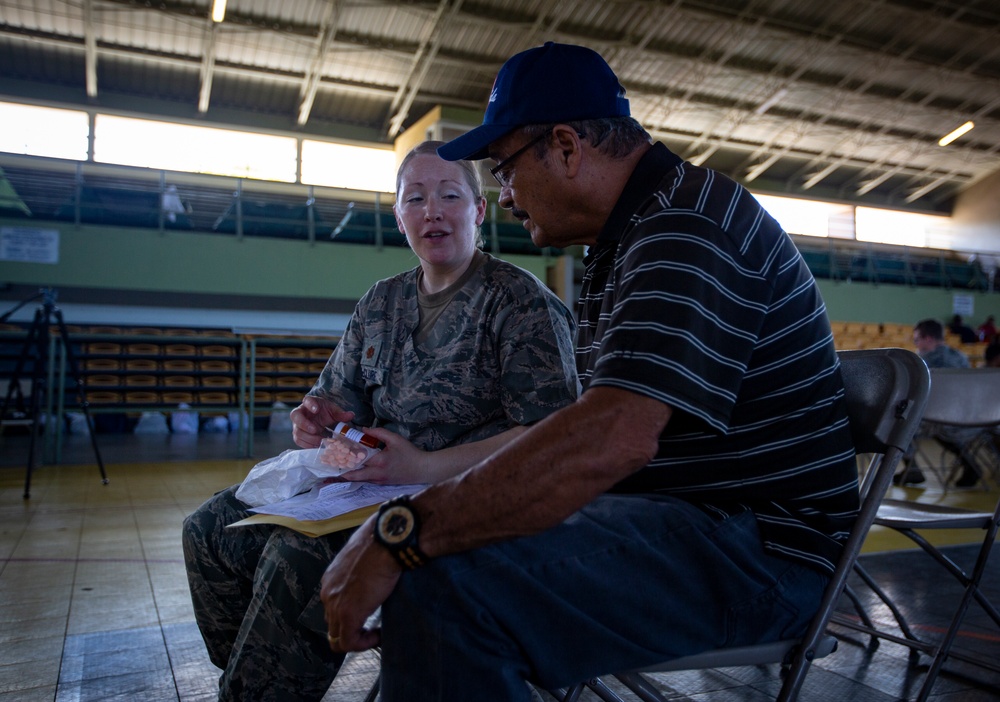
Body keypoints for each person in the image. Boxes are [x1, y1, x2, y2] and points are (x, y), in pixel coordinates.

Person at [319, 43, 859, 701]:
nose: (507, 194)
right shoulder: (632, 237)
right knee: (447, 558)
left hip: (762, 554)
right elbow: (590, 432)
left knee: (441, 584)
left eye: (504, 168)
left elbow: (612, 438)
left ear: (567, 147)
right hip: (694, 526)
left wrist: (403, 531)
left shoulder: (684, 223)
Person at [182, 140, 580, 702]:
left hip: (468, 505)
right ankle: (258, 680)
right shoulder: (380, 303)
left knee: (295, 558)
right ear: (398, 216)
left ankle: (263, 686)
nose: (432, 211)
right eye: (414, 198)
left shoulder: (519, 303)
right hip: (367, 495)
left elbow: (551, 436)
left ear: (478, 210)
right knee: (209, 530)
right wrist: (315, 423)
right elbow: (334, 406)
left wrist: (423, 465)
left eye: (449, 195)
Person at [896, 318, 978, 487]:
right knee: (937, 426)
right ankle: (970, 465)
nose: (916, 343)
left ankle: (912, 468)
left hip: (941, 421)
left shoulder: (924, 362)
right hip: (971, 420)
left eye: (917, 339)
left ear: (928, 339)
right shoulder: (961, 357)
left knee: (897, 423)